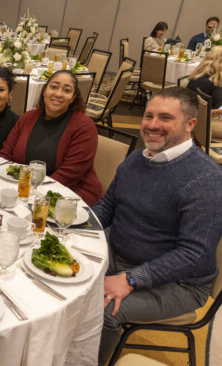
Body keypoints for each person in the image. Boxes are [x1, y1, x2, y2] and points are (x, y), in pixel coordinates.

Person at [94, 87, 222, 365]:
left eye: (165, 118)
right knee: (59, 267)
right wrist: (73, 224)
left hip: (179, 284)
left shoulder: (205, 179)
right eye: (148, 115)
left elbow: (194, 255)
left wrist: (131, 279)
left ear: (190, 125)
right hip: (120, 253)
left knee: (103, 310)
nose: (152, 125)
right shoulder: (137, 158)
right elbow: (108, 207)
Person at [0, 70, 102, 206]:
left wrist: (32, 193)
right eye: (53, 87)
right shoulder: (28, 117)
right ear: (44, 90)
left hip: (67, 199)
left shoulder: (84, 126)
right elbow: (5, 154)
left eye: (66, 90)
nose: (58, 94)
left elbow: (69, 174)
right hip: (24, 193)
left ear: (73, 97)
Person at [187, 45, 222, 116]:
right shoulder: (202, 83)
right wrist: (219, 112)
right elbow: (198, 113)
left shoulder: (216, 78)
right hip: (206, 121)